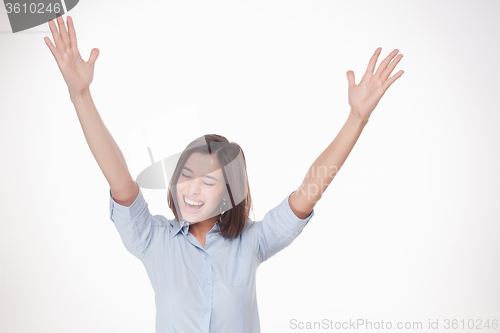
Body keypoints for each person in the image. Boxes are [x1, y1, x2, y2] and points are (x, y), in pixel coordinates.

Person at [44, 14, 404, 333]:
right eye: (186, 174)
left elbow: (310, 189)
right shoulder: (154, 240)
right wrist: (81, 95)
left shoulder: (252, 242)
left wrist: (357, 118)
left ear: (230, 192)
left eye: (210, 180)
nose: (192, 188)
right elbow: (118, 176)